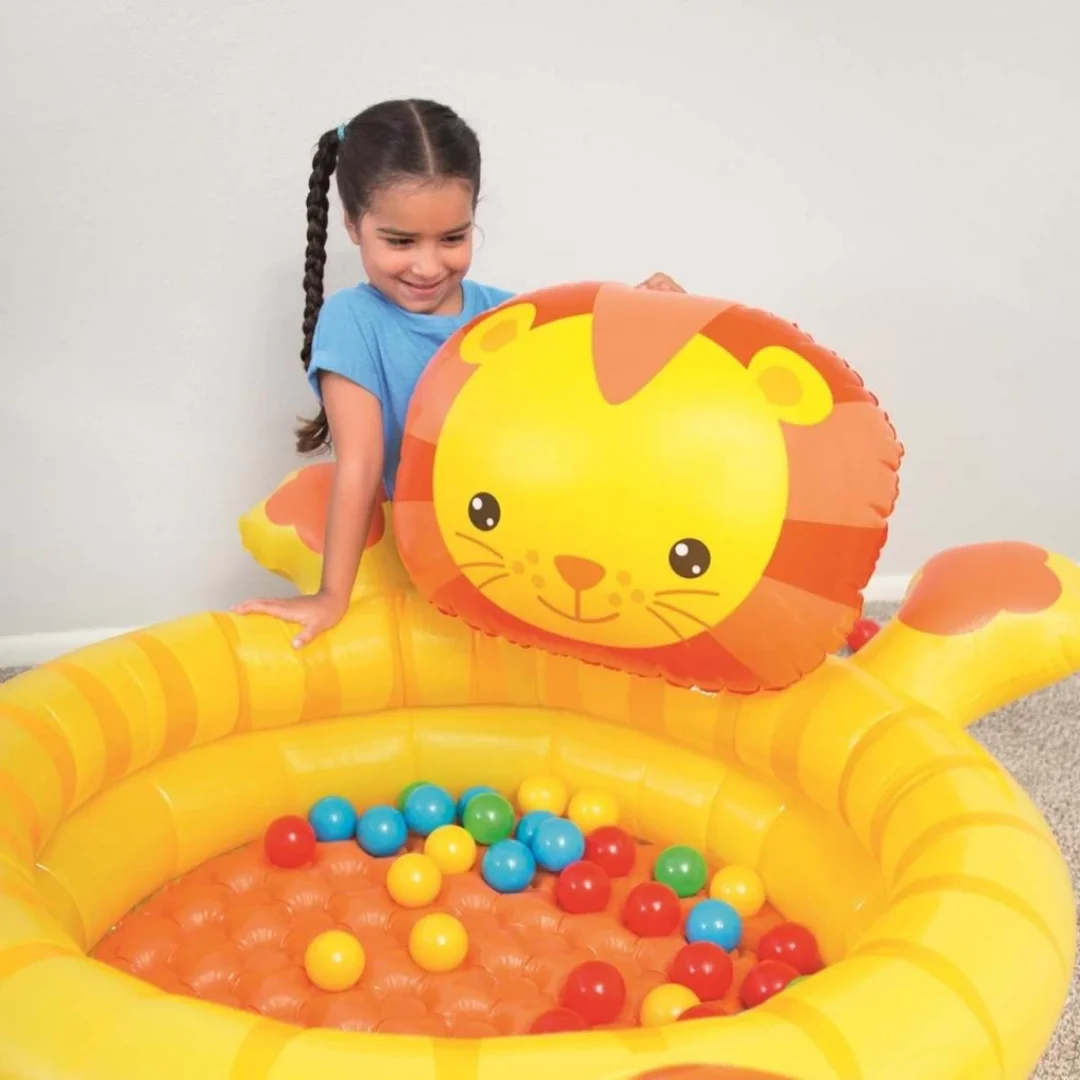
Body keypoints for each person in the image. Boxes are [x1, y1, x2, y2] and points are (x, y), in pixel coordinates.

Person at [235, 98, 683, 647]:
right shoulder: (353, 320)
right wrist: (332, 597)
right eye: (400, 241)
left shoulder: (507, 315)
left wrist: (647, 312)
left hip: (531, 547)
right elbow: (362, 464)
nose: (428, 266)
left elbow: (588, 391)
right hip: (450, 551)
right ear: (353, 225)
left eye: (452, 238)